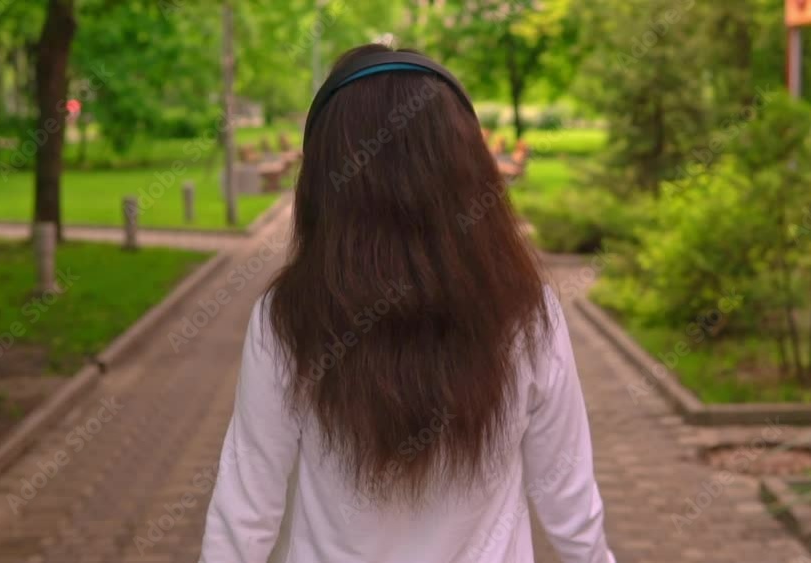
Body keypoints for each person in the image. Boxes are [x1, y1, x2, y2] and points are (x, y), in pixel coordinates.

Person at [198, 44, 615, 563]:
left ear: (324, 183)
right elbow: (570, 504)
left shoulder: (286, 319)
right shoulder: (527, 314)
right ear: (469, 172)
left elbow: (244, 512)